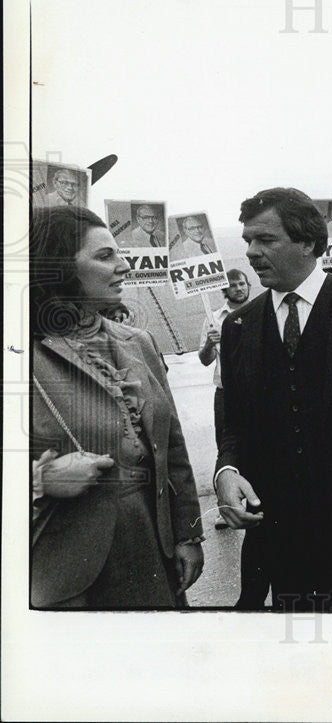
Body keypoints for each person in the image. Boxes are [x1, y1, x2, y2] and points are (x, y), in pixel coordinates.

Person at [213, 187, 332, 610]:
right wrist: (226, 472)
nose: (251, 252)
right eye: (247, 240)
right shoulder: (239, 325)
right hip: (278, 537)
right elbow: (234, 422)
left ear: (308, 242)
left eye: (266, 239)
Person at [29, 206, 204, 608]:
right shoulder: (22, 352)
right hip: (67, 566)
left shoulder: (138, 341)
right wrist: (40, 478)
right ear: (58, 267)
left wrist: (188, 534)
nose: (123, 266)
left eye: (118, 253)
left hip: (151, 545)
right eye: (105, 256)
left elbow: (172, 448)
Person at [198, 268, 252, 530]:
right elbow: (204, 359)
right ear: (225, 290)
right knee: (226, 445)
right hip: (226, 390)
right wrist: (210, 343)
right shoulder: (214, 319)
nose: (239, 288)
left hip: (257, 389)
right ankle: (225, 507)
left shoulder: (260, 312)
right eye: (234, 285)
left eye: (243, 283)